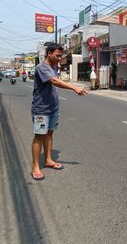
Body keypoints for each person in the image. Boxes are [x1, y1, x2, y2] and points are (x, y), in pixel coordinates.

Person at [31, 43, 88, 180]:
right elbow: (54, 81)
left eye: (60, 56)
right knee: (39, 136)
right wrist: (74, 87)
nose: (59, 58)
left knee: (49, 134)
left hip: (53, 108)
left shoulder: (54, 66)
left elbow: (57, 80)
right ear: (49, 53)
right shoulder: (41, 68)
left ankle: (49, 159)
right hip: (41, 109)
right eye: (57, 55)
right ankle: (35, 166)